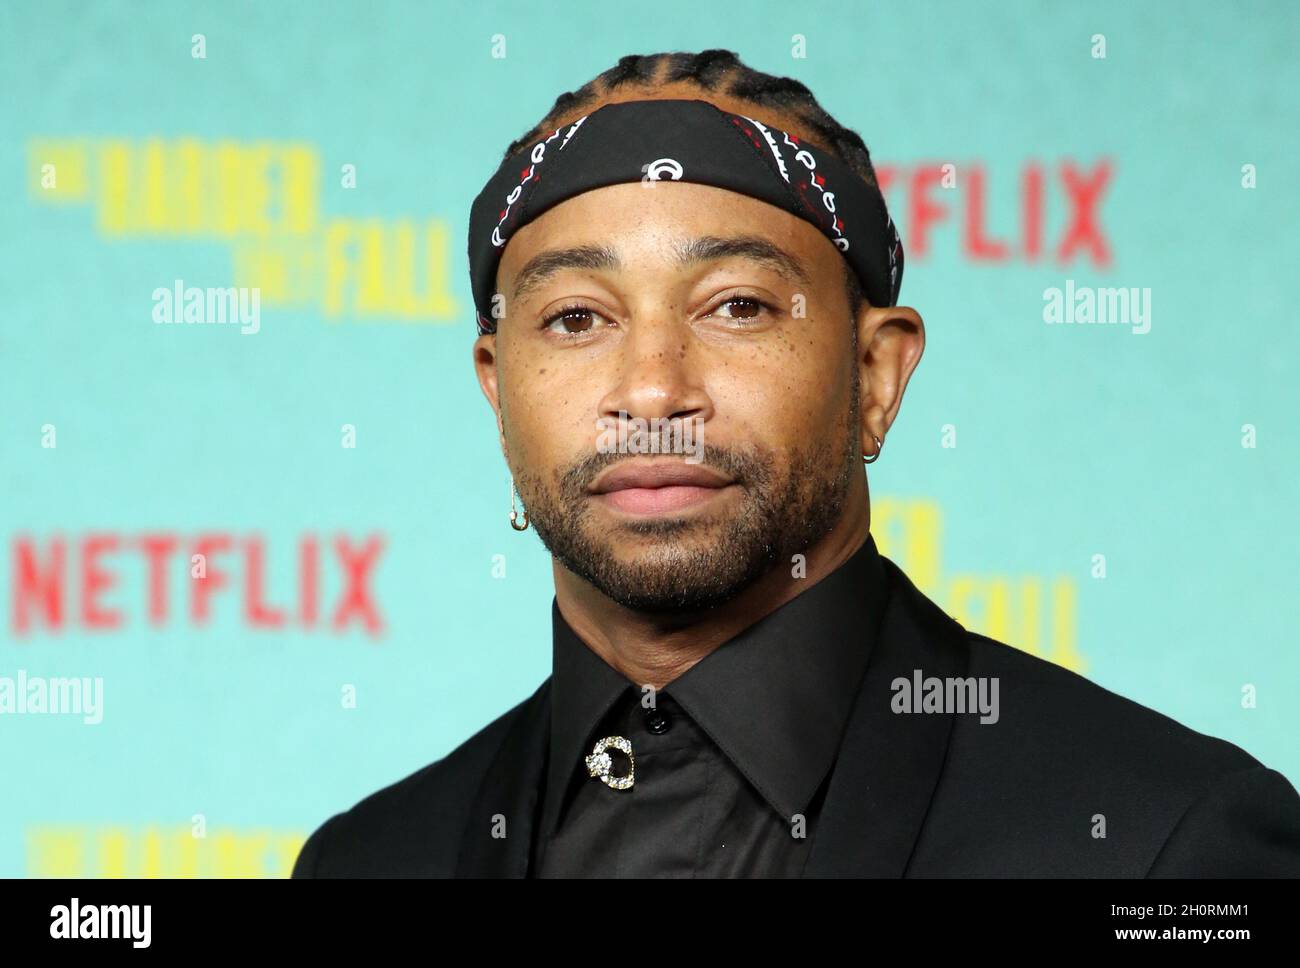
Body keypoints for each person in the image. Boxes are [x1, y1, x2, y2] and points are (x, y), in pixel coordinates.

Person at [293, 49, 1300, 877]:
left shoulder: (1165, 840)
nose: (652, 390)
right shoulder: (369, 859)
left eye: (737, 305)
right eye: (574, 317)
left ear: (874, 373)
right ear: (495, 387)